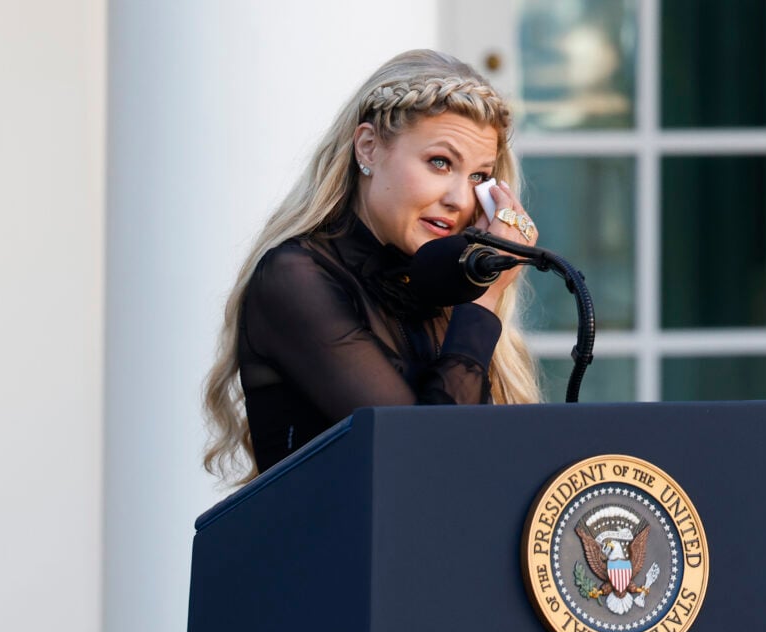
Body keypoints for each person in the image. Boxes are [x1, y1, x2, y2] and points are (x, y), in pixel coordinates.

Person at [203, 49, 542, 484]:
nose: (460, 198)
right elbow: (422, 462)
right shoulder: (294, 278)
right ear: (368, 147)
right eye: (440, 163)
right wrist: (486, 295)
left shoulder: (439, 280)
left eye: (479, 177)